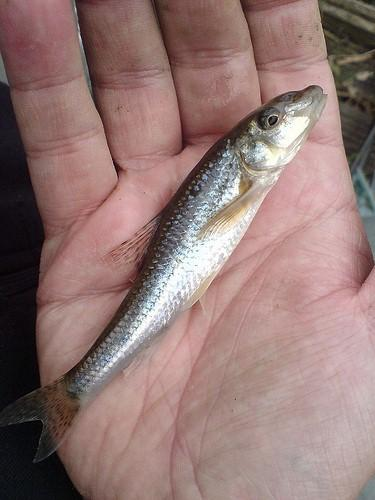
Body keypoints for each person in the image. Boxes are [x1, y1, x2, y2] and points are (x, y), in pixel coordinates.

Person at [0, 0, 374, 498]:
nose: (291, 115)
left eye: (271, 119)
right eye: (272, 121)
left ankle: (73, 392)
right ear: (250, 147)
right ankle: (71, 391)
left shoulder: (252, 171)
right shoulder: (242, 169)